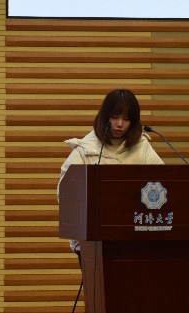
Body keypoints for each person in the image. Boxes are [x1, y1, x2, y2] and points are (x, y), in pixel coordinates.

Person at [56, 88, 163, 253]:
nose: (120, 124)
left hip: (135, 239)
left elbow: (163, 185)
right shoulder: (85, 149)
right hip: (92, 241)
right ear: (104, 117)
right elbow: (66, 194)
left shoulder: (142, 148)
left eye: (126, 119)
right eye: (114, 117)